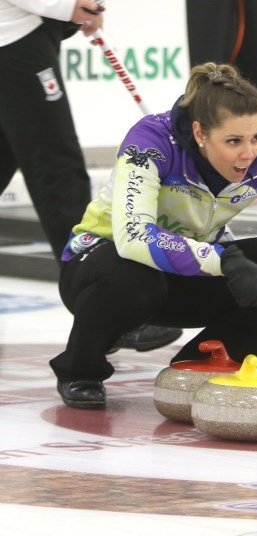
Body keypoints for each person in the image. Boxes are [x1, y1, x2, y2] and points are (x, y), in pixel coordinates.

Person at [49, 62, 257, 409]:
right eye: (233, 141)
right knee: (128, 273)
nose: (248, 152)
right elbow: (133, 236)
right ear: (200, 133)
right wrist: (222, 259)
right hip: (103, 270)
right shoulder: (150, 143)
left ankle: (207, 361)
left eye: (256, 136)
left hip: (188, 273)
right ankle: (81, 369)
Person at [0, 0, 182, 352]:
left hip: (20, 35)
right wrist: (66, 5)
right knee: (58, 175)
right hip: (15, 41)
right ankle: (106, 312)